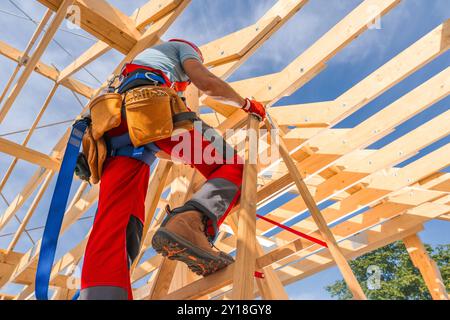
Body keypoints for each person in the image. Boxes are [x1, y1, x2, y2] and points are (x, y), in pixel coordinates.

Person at [80, 39, 266, 300]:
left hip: (116, 137)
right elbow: (206, 82)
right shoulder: (182, 49)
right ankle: (189, 224)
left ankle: (102, 295)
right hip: (150, 109)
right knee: (234, 166)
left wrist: (186, 154)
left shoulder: (127, 71)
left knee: (116, 224)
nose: (185, 85)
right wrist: (246, 105)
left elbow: (160, 145)